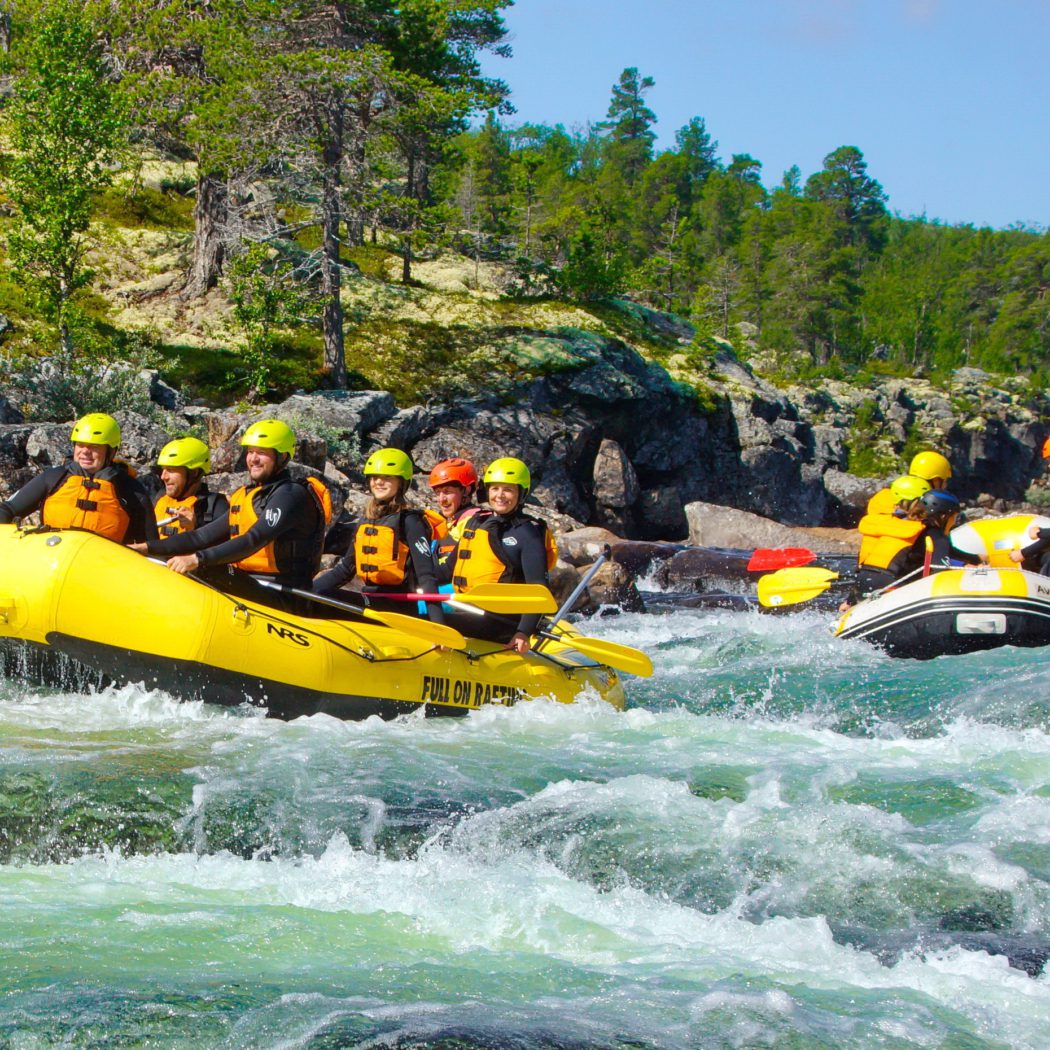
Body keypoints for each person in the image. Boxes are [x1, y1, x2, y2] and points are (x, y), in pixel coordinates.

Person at [135, 419, 331, 593]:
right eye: (251, 451)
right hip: (250, 581)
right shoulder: (247, 495)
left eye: (262, 453)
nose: (253, 459)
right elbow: (201, 536)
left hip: (283, 591)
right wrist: (146, 548)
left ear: (282, 457)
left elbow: (254, 539)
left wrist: (197, 559)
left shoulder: (290, 495)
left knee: (203, 570)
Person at [312, 448, 443, 619]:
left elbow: (426, 576)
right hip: (371, 600)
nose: (379, 482)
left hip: (398, 607)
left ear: (401, 482)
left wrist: (438, 624)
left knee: (326, 598)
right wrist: (307, 590)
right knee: (316, 595)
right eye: (374, 477)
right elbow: (345, 569)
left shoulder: (410, 521)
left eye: (387, 477)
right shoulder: (366, 520)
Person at [447, 457, 557, 654]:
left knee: (434, 620)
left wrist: (523, 632)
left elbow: (538, 590)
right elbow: (446, 569)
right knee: (423, 614)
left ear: (520, 494)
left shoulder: (527, 534)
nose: (500, 495)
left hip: (503, 624)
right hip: (471, 611)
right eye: (495, 488)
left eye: (508, 489)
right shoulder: (476, 523)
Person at [0, 412, 156, 544]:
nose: (85, 452)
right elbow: (8, 509)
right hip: (54, 559)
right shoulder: (54, 478)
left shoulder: (132, 491)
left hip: (104, 570)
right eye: (80, 445)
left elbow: (151, 546)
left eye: (94, 446)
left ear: (111, 452)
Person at [850, 475, 932, 599]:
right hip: (890, 584)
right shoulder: (921, 528)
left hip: (863, 582)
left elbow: (863, 563)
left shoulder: (883, 523)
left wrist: (850, 599)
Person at [150, 437, 228, 538]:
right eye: (163, 469)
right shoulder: (156, 498)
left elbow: (222, 548)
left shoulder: (216, 506)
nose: (163, 476)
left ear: (194, 473)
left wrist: (195, 527)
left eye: (171, 470)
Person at [427, 457, 480, 583]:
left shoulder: (475, 522)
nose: (441, 499)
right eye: (438, 492)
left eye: (447, 492)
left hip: (458, 593)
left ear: (466, 490)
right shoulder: (443, 522)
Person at [863, 449, 953, 517]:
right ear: (935, 480)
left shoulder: (882, 496)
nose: (945, 486)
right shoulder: (928, 505)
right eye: (944, 481)